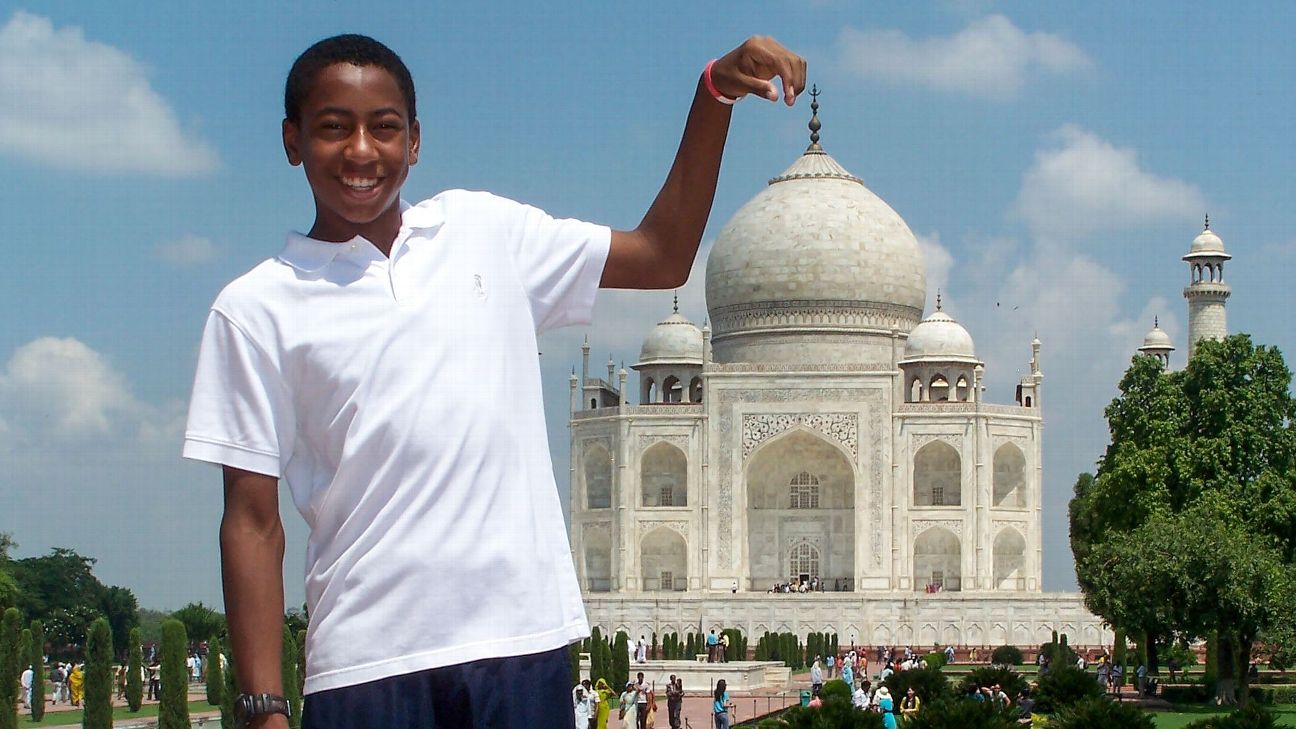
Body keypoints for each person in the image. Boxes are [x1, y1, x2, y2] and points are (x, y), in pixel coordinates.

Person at [183, 32, 805, 729]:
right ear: (293, 141)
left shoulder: (484, 233)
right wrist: (263, 704)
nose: (362, 150)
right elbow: (251, 520)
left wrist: (712, 94)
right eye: (334, 128)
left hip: (519, 640)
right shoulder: (255, 307)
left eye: (384, 128)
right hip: (366, 659)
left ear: (415, 141)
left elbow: (662, 254)